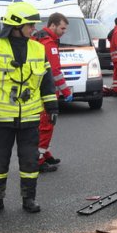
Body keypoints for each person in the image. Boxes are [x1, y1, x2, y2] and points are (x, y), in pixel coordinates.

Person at [0, 2, 58, 215]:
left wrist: (51, 106)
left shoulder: (38, 48)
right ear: (17, 24)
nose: (34, 28)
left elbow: (47, 81)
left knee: (30, 161)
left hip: (30, 117)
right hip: (2, 117)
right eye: (30, 24)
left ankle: (29, 199)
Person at [31, 13, 73, 173]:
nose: (64, 31)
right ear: (53, 25)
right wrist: (66, 91)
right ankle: (39, 160)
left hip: (37, 89)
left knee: (40, 124)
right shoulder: (49, 43)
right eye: (62, 28)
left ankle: (45, 153)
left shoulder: (37, 38)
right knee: (47, 125)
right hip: (47, 92)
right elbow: (55, 72)